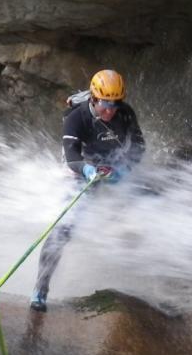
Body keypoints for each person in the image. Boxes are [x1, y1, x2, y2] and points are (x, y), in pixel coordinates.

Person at [29, 68, 145, 312]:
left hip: (111, 163)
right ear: (93, 99)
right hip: (80, 165)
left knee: (144, 208)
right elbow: (72, 157)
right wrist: (88, 171)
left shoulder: (125, 113)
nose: (110, 111)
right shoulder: (76, 118)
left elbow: (138, 147)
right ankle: (41, 287)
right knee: (64, 228)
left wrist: (123, 170)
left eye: (115, 104)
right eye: (105, 104)